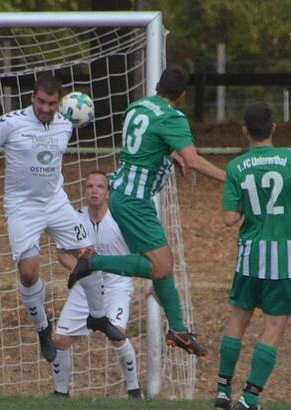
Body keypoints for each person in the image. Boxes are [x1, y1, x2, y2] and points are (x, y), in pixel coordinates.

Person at [0, 75, 124, 363]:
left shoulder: (65, 123)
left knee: (90, 257)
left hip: (56, 202)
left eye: (52, 104)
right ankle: (43, 329)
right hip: (22, 207)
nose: (46, 109)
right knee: (28, 270)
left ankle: (98, 317)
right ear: (33, 97)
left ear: (59, 103)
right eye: (41, 102)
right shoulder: (11, 122)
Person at [68, 66, 227, 356]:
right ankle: (93, 262)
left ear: (157, 86)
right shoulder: (172, 117)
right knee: (161, 267)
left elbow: (147, 145)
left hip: (121, 193)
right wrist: (230, 179)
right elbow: (195, 161)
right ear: (183, 95)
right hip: (135, 201)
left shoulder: (136, 106)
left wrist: (173, 154)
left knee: (162, 264)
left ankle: (178, 329)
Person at [214, 103, 291, 410]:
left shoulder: (236, 167)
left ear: (244, 130)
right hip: (284, 259)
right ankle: (249, 399)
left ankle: (222, 389)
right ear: (274, 128)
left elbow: (229, 219)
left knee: (237, 319)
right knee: (274, 326)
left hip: (250, 256)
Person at [53, 170, 143, 399]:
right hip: (86, 287)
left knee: (117, 334)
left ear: (108, 193)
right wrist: (76, 268)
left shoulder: (120, 218)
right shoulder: (76, 218)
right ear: (84, 191)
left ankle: (134, 390)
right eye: (90, 186)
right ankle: (60, 393)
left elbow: (142, 252)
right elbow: (62, 253)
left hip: (116, 285)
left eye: (100, 187)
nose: (95, 191)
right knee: (60, 340)